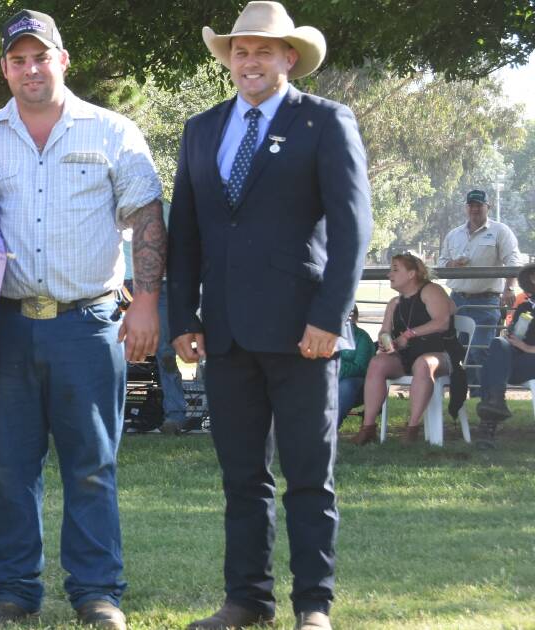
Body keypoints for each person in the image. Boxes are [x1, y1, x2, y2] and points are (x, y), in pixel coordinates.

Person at [0, 10, 165, 629]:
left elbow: (147, 216)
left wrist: (147, 301)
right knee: (10, 465)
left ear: (62, 61)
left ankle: (98, 592)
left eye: (39, 57)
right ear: (5, 69)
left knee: (92, 463)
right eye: (17, 60)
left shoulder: (113, 131)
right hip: (6, 323)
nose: (29, 69)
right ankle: (14, 590)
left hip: (89, 323)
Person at [166, 3, 372, 629]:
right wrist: (183, 317)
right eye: (240, 51)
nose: (250, 61)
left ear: (290, 58)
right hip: (223, 334)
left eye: (263, 50)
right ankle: (246, 600)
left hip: (302, 333)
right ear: (229, 60)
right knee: (242, 479)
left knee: (310, 478)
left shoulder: (326, 121)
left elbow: (353, 227)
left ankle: (314, 605)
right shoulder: (201, 128)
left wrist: (329, 318)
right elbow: (186, 235)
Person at [351, 254, 452, 445]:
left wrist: (408, 335)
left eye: (395, 269)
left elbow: (442, 322)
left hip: (438, 353)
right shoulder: (394, 303)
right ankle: (368, 427)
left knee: (423, 364)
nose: (389, 274)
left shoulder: (431, 290)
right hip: (405, 356)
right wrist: (384, 341)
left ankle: (412, 429)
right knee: (377, 363)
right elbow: (384, 331)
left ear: (412, 273)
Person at [438, 189, 521, 393]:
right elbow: (440, 264)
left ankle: (483, 397)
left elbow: (513, 261)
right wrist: (452, 264)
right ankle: (469, 396)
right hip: (456, 301)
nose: (475, 209)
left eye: (479, 205)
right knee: (459, 352)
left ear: (487, 207)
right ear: (466, 207)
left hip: (486, 302)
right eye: (471, 205)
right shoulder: (454, 234)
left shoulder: (500, 231)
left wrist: (509, 288)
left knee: (479, 351)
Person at [473, 262, 535, 447]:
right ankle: (495, 401)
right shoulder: (525, 307)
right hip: (519, 364)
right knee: (498, 344)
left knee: (492, 368)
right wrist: (511, 338)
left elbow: (523, 345)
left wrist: (526, 347)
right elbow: (516, 338)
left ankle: (488, 426)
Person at [336, 305, 373, 427]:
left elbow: (362, 368)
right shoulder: (326, 335)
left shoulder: (362, 338)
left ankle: (329, 428)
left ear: (354, 317)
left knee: (347, 385)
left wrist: (335, 368)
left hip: (357, 387)